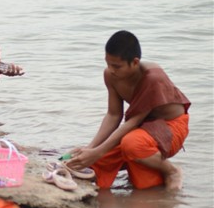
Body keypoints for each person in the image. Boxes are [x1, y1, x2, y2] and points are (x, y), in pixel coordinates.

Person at [67, 31, 191, 191]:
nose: (111, 70)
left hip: (170, 127)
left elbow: (134, 121)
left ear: (134, 62)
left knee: (131, 145)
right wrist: (91, 148)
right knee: (90, 161)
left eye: (116, 66)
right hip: (142, 129)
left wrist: (97, 151)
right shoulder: (111, 75)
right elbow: (113, 115)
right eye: (108, 63)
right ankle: (142, 165)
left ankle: (171, 171)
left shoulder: (152, 77)